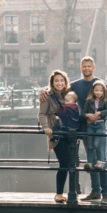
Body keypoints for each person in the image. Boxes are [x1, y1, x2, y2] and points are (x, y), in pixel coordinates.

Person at [71, 56, 107, 202]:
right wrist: (44, 92)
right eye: (84, 66)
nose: (87, 68)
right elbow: (59, 92)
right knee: (91, 158)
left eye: (89, 66)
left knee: (101, 159)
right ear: (80, 68)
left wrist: (98, 116)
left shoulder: (100, 84)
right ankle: (95, 191)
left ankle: (106, 193)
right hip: (85, 128)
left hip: (99, 128)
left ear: (93, 67)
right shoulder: (75, 85)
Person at [38, 69, 77, 202]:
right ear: (52, 83)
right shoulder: (47, 96)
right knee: (64, 163)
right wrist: (46, 127)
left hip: (70, 134)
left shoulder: (69, 94)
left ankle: (73, 191)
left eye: (62, 80)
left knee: (72, 162)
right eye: (56, 81)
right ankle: (59, 193)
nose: (59, 83)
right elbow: (42, 113)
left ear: (65, 82)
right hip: (57, 135)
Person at [82, 80, 107, 174]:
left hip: (100, 125)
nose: (98, 92)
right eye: (96, 90)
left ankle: (100, 162)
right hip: (90, 125)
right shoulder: (89, 101)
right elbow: (83, 113)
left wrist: (100, 113)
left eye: (101, 91)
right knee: (90, 145)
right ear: (93, 91)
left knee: (97, 143)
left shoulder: (105, 101)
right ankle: (89, 163)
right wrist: (87, 115)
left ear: (104, 92)